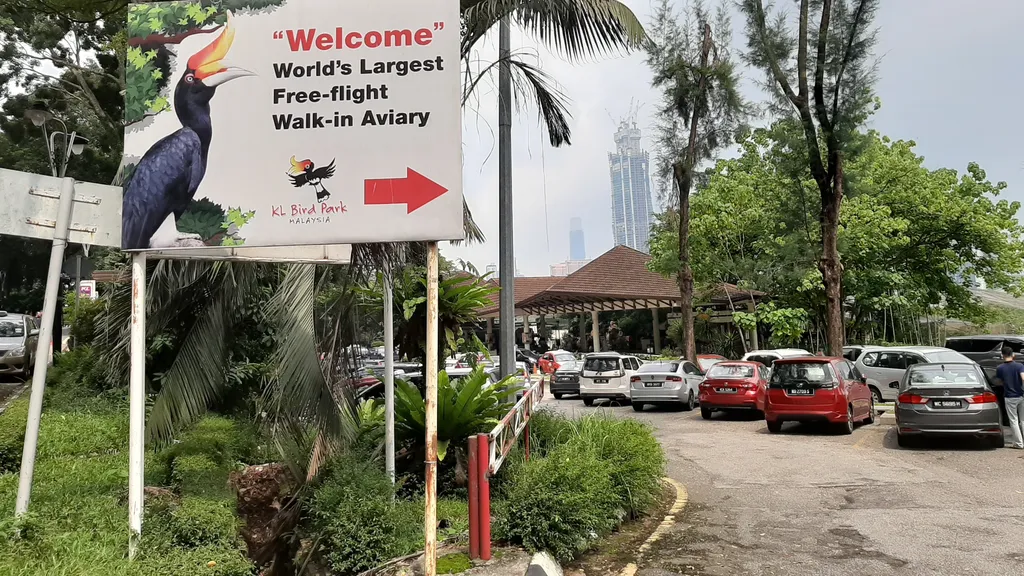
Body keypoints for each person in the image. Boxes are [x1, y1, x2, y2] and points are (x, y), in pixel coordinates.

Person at [995, 345, 1024, 449]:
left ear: (1002, 355)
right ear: (1013, 355)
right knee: (1023, 420)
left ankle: (1019, 443)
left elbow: (998, 382)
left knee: (1013, 420)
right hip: (1021, 395)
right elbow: (1023, 378)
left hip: (1009, 397)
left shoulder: (1000, 368)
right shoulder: (1019, 366)